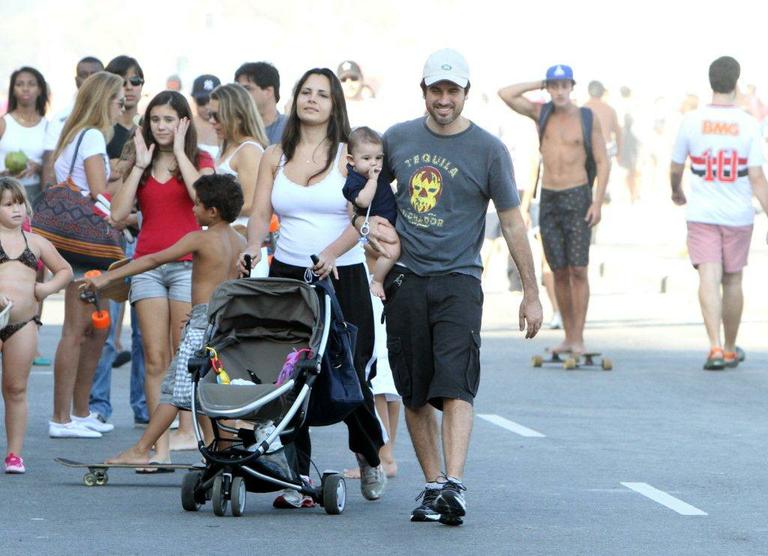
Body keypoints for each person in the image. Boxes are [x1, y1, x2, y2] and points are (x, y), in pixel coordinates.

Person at [361, 49, 543, 526]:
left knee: (457, 383)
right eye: (436, 90)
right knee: (416, 391)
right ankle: (433, 485)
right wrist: (370, 237)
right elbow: (366, 195)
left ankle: (455, 486)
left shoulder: (488, 150)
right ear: (424, 91)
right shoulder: (397, 139)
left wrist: (532, 291)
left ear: (465, 92)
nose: (444, 99)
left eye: (452, 91)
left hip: (461, 279)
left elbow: (512, 222)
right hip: (406, 279)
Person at [240, 67, 386, 506]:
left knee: (351, 372)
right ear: (295, 99)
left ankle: (368, 454)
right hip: (287, 275)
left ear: (334, 104)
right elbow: (260, 213)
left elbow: (360, 221)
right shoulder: (274, 155)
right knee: (291, 374)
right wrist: (251, 248)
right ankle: (298, 478)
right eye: (306, 92)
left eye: (322, 94)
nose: (312, 99)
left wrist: (332, 252)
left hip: (343, 274)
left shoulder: (347, 155)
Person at [81, 174, 245, 465]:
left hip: (201, 324)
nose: (192, 210)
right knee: (207, 387)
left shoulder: (201, 238)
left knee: (174, 389)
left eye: (196, 205)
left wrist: (107, 278)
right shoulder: (240, 240)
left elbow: (153, 260)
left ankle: (142, 449)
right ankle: (221, 448)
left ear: (212, 211)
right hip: (226, 323)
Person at [111, 91, 214, 462]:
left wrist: (183, 156)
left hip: (189, 266)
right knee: (155, 358)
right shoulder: (141, 161)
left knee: (188, 358)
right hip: (147, 267)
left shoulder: (200, 159)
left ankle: (207, 444)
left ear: (183, 122)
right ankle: (159, 449)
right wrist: (138, 166)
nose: (161, 126)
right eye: (155, 119)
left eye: (169, 119)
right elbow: (118, 214)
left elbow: (204, 206)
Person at [499, 64, 609, 357]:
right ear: (549, 88)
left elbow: (602, 160)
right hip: (549, 197)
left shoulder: (586, 118)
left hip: (577, 196)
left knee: (579, 269)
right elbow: (505, 94)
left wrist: (597, 202)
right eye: (554, 86)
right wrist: (539, 82)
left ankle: (578, 337)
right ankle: (568, 337)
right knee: (559, 270)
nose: (560, 92)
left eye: (564, 86)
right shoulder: (542, 113)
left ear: (572, 87)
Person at [669, 56, 768, 370]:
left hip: (702, 212)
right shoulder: (749, 124)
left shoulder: (691, 121)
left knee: (708, 278)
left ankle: (713, 346)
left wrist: (676, 190)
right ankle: (728, 347)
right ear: (736, 83)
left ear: (710, 82)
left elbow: (675, 166)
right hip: (738, 212)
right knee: (733, 280)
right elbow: (757, 177)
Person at [49, 71, 125, 438]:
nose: (121, 106)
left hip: (76, 244)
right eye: (116, 100)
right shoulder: (93, 134)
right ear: (102, 100)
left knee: (96, 330)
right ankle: (62, 417)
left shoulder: (73, 133)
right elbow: (97, 192)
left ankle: (79, 412)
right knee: (77, 330)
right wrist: (126, 211)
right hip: (88, 246)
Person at [88, 55, 148, 429]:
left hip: (144, 237)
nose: (130, 88)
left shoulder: (150, 128)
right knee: (106, 330)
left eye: (136, 80)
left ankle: (145, 408)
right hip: (110, 236)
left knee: (146, 333)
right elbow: (102, 190)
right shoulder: (102, 132)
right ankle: (98, 406)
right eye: (123, 81)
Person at [0, 177, 72, 472]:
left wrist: (47, 289)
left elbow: (65, 270)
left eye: (20, 203)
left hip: (23, 323)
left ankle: (14, 453)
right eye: (7, 204)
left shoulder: (36, 242)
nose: (16, 209)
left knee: (16, 388)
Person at [342, 126, 399, 299]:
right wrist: (373, 181)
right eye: (366, 158)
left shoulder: (374, 171)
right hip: (377, 222)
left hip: (388, 218)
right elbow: (362, 201)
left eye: (378, 158)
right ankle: (377, 280)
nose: (374, 163)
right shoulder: (354, 180)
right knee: (393, 250)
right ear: (352, 160)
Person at [41, 57, 104, 190]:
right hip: (73, 203)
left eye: (94, 75)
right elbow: (49, 163)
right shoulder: (60, 119)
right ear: (76, 81)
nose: (89, 79)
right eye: (83, 75)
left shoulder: (115, 113)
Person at [0, 67, 50, 202]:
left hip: (33, 193)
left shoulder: (48, 127)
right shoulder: (3, 123)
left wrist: (38, 168)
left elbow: (53, 165)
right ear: (13, 91)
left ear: (40, 90)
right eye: (19, 84)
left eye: (31, 84)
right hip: (3, 190)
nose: (25, 88)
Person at [235, 62, 287, 145]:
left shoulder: (291, 129)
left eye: (247, 89)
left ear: (268, 91)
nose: (239, 95)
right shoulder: (234, 129)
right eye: (238, 90)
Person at [584, 81, 622, 160]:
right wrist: (619, 154)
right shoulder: (609, 110)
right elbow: (618, 132)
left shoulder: (582, 110)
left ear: (589, 92)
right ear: (602, 93)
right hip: (606, 149)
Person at [190, 74, 221, 158]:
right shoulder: (186, 125)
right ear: (194, 99)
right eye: (202, 101)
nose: (207, 106)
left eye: (212, 101)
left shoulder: (231, 127)